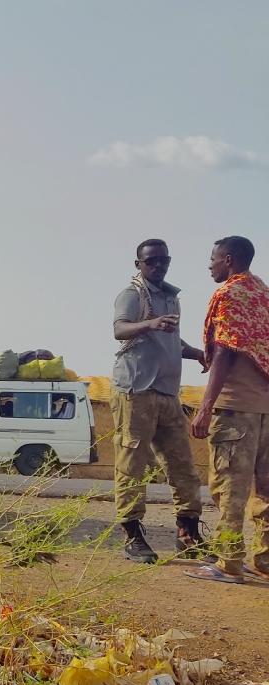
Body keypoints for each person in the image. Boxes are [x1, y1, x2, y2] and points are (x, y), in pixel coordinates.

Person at [111, 238, 206, 563]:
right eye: (151, 261)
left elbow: (170, 340)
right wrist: (150, 323)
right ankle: (132, 536)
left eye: (163, 260)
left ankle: (188, 532)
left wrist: (195, 353)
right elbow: (120, 329)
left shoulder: (170, 297)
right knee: (132, 465)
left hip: (167, 393)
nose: (158, 266)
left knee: (182, 465)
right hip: (135, 391)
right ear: (139, 264)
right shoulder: (132, 294)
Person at [186, 236, 269, 584]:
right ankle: (264, 561)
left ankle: (228, 562)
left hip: (235, 408)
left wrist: (205, 407)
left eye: (213, 258)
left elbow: (225, 351)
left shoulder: (230, 294)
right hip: (266, 409)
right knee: (265, 490)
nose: (210, 264)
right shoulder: (262, 292)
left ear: (229, 260)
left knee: (228, 488)